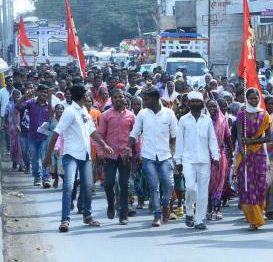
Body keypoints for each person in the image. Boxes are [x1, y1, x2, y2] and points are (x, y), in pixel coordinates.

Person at [44, 85, 114, 233]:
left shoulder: (84, 111)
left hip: (85, 155)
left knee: (88, 187)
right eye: (87, 95)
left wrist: (104, 144)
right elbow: (56, 133)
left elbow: (92, 131)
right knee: (68, 187)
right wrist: (48, 156)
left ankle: (87, 216)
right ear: (82, 97)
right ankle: (65, 220)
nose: (89, 97)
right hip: (71, 155)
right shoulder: (69, 112)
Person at [128, 87, 178, 227]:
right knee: (154, 186)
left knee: (169, 184)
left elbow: (175, 136)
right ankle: (157, 215)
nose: (144, 102)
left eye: (146, 99)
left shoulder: (169, 114)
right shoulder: (143, 114)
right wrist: (128, 147)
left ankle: (166, 203)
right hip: (148, 156)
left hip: (165, 155)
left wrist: (173, 152)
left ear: (155, 99)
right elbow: (134, 133)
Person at [175, 91, 220, 230]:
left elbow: (212, 139)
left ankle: (199, 220)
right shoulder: (183, 120)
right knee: (190, 188)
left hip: (205, 160)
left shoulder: (206, 119)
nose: (195, 103)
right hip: (188, 160)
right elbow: (179, 141)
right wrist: (178, 160)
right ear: (188, 103)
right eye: (192, 101)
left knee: (202, 192)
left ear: (202, 104)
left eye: (197, 101)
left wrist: (216, 156)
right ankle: (189, 212)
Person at [236, 88, 272, 231]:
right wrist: (243, 151)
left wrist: (251, 142)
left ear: (259, 98)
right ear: (246, 99)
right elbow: (239, 136)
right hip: (245, 154)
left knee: (261, 185)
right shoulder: (241, 115)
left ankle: (259, 211)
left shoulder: (265, 115)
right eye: (250, 98)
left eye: (255, 98)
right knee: (247, 186)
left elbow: (269, 137)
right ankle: (253, 219)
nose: (253, 100)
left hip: (260, 154)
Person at [98, 89, 135, 225]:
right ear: (111, 99)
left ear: (125, 98)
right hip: (110, 155)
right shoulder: (105, 115)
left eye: (121, 97)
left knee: (124, 185)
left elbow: (136, 136)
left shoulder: (131, 116)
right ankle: (111, 204)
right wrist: (101, 153)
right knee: (109, 184)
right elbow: (100, 135)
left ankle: (123, 214)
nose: (119, 99)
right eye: (115, 97)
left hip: (125, 155)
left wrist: (138, 153)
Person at [15, 84, 52, 188]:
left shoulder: (49, 105)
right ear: (37, 92)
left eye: (45, 92)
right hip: (32, 136)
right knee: (34, 158)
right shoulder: (30, 103)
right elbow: (17, 107)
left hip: (45, 137)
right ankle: (37, 176)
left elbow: (52, 118)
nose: (43, 94)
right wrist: (23, 96)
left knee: (44, 157)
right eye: (41, 92)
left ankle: (45, 177)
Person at [205, 99, 231, 220]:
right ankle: (209, 207)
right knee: (208, 182)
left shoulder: (223, 120)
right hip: (205, 155)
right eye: (209, 106)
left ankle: (218, 208)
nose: (212, 108)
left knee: (220, 182)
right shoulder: (203, 120)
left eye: (214, 106)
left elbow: (228, 138)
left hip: (220, 155)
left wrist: (230, 154)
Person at [4, 89, 24, 171]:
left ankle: (21, 165)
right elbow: (6, 115)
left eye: (18, 95)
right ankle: (14, 163)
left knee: (21, 147)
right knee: (14, 146)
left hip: (22, 128)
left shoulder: (24, 105)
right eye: (15, 95)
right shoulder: (9, 105)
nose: (17, 96)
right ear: (12, 96)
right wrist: (5, 123)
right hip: (12, 129)